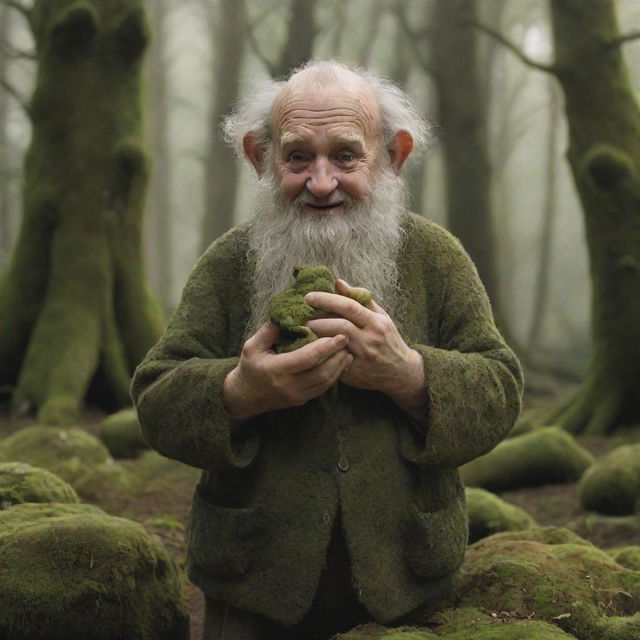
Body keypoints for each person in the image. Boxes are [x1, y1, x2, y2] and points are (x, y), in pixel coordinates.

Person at [131, 60, 523, 640]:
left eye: (345, 155)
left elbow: (501, 388)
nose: (320, 182)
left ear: (394, 155)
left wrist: (409, 374)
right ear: (259, 157)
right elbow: (155, 399)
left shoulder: (435, 256)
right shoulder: (228, 262)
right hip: (251, 586)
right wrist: (240, 393)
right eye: (297, 157)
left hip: (408, 585)